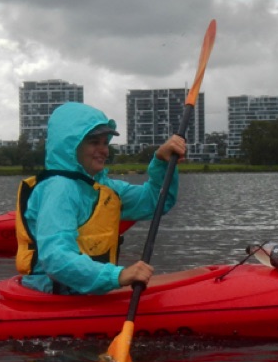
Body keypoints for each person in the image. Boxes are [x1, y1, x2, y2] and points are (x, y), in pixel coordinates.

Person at [16, 101, 186, 295]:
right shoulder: (59, 188)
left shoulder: (103, 188)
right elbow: (56, 257)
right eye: (94, 142)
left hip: (89, 294)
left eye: (105, 143)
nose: (104, 150)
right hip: (54, 296)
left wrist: (162, 162)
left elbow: (155, 201)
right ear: (71, 145)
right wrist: (117, 276)